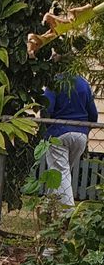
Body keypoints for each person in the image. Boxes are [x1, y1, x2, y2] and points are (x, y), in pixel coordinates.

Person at [40, 67, 99, 207]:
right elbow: (93, 114)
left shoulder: (55, 82)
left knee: (60, 172)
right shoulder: (84, 83)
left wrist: (47, 127)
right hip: (81, 134)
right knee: (61, 173)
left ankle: (68, 212)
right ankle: (49, 208)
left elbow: (47, 109)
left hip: (58, 132)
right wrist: (85, 130)